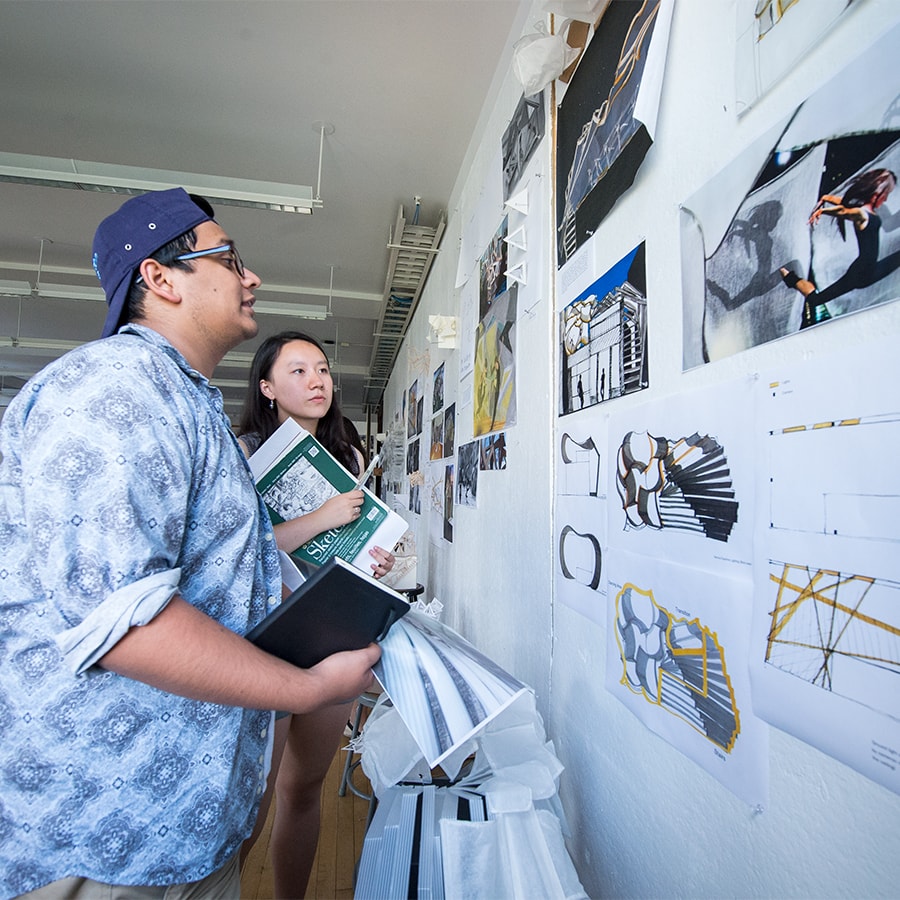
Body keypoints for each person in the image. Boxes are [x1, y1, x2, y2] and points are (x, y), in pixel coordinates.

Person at [0, 189, 380, 899]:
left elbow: (229, 578)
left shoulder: (183, 402)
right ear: (160, 279)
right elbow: (123, 625)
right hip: (110, 839)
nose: (252, 276)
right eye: (229, 257)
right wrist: (307, 688)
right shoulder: (112, 391)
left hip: (186, 828)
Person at [236, 331, 395, 898]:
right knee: (252, 800)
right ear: (267, 387)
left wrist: (378, 556)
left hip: (332, 630)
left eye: (323, 369)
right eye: (298, 371)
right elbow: (243, 550)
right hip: (268, 637)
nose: (317, 380)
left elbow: (355, 541)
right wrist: (324, 517)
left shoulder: (348, 453)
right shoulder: (245, 453)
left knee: (304, 791)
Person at [780, 167, 899, 328]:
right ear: (878, 192)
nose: (885, 200)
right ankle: (790, 278)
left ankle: (791, 279)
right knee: (816, 300)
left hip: (872, 270)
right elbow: (844, 210)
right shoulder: (861, 213)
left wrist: (826, 198)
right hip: (860, 274)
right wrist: (823, 210)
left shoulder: (866, 208)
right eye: (886, 195)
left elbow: (844, 202)